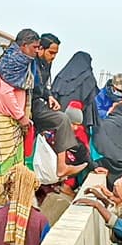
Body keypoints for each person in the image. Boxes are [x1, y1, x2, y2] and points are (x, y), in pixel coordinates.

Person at [0, 29, 39, 204]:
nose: (36, 51)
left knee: (16, 161)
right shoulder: (11, 63)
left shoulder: (25, 62)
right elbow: (6, 94)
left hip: (15, 120)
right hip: (3, 118)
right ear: (24, 46)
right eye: (34, 47)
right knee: (3, 162)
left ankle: (13, 198)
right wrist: (21, 116)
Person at [32, 33, 86, 179]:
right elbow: (35, 87)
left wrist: (49, 97)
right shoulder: (32, 63)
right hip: (30, 104)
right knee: (62, 119)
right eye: (51, 53)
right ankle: (61, 167)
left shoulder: (46, 64)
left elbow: (44, 86)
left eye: (56, 54)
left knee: (61, 119)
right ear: (40, 49)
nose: (53, 57)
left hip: (40, 102)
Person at [50, 51, 100, 135]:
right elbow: (90, 105)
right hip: (78, 125)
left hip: (58, 121)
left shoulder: (60, 76)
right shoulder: (89, 78)